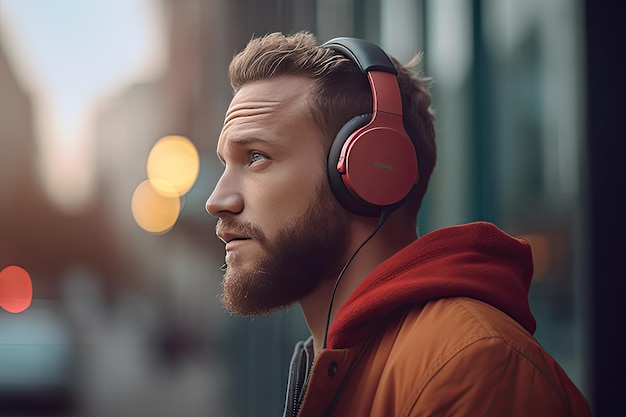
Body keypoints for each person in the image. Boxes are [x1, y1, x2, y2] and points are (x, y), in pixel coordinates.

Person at [205, 31, 591, 416]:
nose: (216, 201)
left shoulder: (471, 368)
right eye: (226, 164)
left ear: (367, 170)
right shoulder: (344, 362)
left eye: (255, 157)